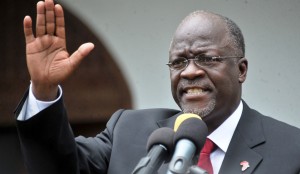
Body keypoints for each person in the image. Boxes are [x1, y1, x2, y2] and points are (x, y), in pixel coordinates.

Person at [15, 0, 300, 173]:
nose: (189, 72)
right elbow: (56, 168)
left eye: (205, 58)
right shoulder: (130, 131)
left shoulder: (291, 150)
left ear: (241, 70)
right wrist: (43, 90)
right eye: (178, 62)